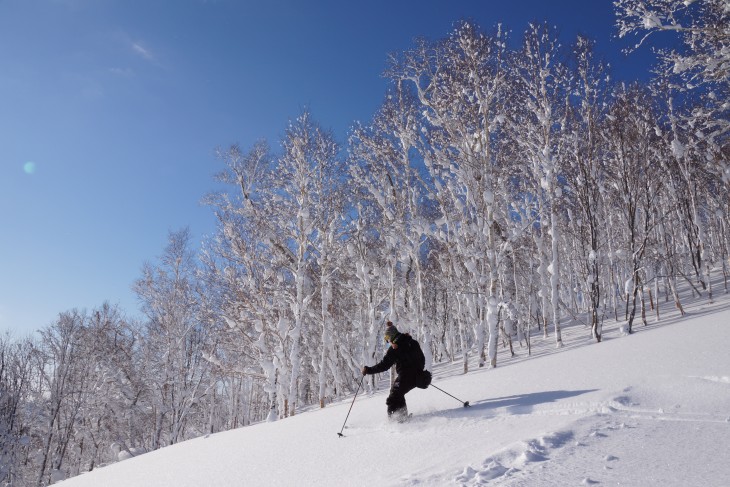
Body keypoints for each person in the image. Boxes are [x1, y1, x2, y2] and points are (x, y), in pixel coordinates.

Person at [361, 321, 431, 422]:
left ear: (391, 336)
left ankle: (394, 422)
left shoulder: (394, 349)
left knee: (393, 398)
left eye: (387, 338)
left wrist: (368, 370)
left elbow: (383, 366)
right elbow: (422, 359)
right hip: (419, 375)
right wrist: (417, 371)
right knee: (398, 393)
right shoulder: (412, 342)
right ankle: (403, 417)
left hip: (406, 377)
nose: (388, 341)